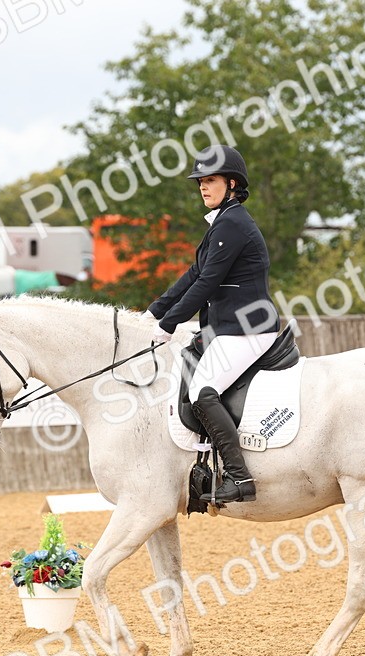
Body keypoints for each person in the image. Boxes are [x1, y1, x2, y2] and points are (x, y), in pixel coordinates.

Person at [144, 145, 279, 503]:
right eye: (200, 181)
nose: (203, 187)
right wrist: (157, 309)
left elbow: (208, 284)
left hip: (248, 328)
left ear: (232, 183)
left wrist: (169, 324)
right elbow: (195, 273)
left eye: (211, 180)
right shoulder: (223, 221)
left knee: (202, 390)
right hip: (228, 327)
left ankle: (239, 477)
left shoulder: (233, 224)